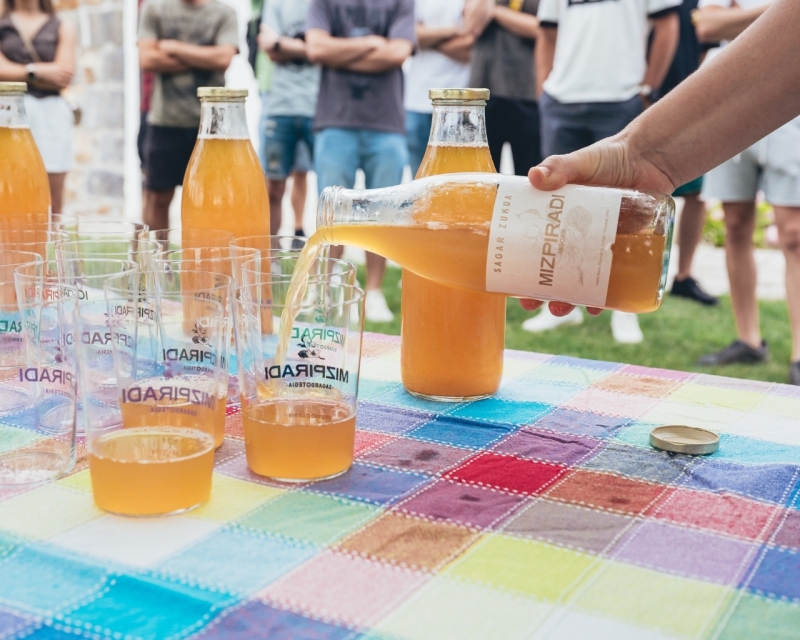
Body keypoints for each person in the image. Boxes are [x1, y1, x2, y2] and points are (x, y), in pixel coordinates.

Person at [525, 0, 800, 384]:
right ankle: (748, 339)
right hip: (570, 101)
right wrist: (641, 156)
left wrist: (643, 113)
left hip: (626, 97)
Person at [522, 0, 680, 342]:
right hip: (561, 100)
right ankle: (562, 303)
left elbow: (668, 26)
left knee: (626, 209)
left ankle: (624, 308)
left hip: (621, 98)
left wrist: (647, 89)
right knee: (558, 207)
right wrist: (544, 89)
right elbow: (546, 33)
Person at [690, 0, 798, 371]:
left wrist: (739, 21)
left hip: (792, 102)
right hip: (732, 101)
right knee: (735, 223)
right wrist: (782, 14)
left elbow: (724, 24)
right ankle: (748, 339)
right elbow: (707, 27)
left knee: (794, 233)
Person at [306, 0, 415, 323]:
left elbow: (398, 53)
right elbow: (315, 48)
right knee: (331, 213)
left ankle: (375, 293)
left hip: (386, 123)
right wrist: (371, 44)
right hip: (335, 120)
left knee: (383, 215)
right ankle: (324, 290)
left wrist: (339, 52)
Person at [138, 0, 238, 231]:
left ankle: (206, 261)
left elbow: (223, 59)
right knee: (158, 198)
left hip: (213, 128)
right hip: (164, 120)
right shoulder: (154, 9)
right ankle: (161, 264)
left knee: (213, 201)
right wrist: (204, 56)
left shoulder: (224, 13)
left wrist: (174, 47)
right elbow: (147, 59)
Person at [660, 0, 719, 306]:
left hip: (689, 99)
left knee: (697, 191)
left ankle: (683, 275)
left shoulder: (700, 3)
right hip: (649, 96)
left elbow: (705, 46)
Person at [0, 0, 76, 214]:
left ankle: (48, 247)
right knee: (8, 189)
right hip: (6, 114)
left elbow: (63, 75)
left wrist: (18, 71)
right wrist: (38, 71)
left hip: (50, 116)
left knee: (52, 200)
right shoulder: (2, 20)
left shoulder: (63, 25)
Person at [405, 0, 493, 177]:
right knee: (419, 188)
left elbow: (469, 46)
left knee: (456, 182)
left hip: (461, 109)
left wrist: (427, 40)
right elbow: (408, 35)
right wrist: (452, 31)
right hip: (417, 103)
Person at [258, 0, 318, 238]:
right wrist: (312, 47)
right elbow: (269, 48)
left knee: (325, 188)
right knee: (273, 185)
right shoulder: (276, 3)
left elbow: (329, 49)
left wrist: (282, 43)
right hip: (280, 105)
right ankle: (269, 259)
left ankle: (303, 234)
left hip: (319, 108)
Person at [469, 0, 541, 177]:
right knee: (481, 179)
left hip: (527, 94)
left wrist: (496, 12)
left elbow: (541, 29)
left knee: (530, 178)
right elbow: (471, 25)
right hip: (482, 96)